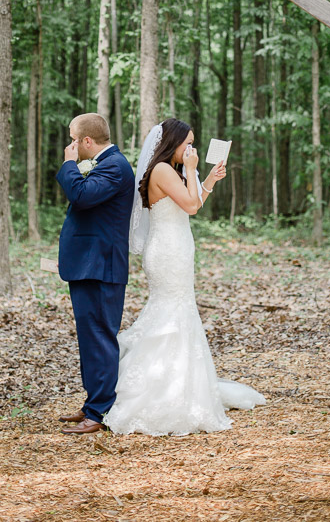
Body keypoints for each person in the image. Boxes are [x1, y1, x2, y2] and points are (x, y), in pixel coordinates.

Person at [104, 118, 265, 436]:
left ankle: (178, 383)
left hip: (176, 247)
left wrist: (208, 179)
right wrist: (192, 170)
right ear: (172, 143)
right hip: (167, 252)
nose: (191, 148)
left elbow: (192, 204)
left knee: (178, 311)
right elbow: (191, 207)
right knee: (172, 311)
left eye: (193, 143)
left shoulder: (171, 171)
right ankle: (159, 390)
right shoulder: (163, 170)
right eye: (187, 143)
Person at [56, 113, 135, 434]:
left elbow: (82, 196)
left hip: (102, 266)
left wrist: (68, 165)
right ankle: (92, 403)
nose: (71, 145)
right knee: (90, 338)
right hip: (88, 265)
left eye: (74, 139)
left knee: (100, 338)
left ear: (87, 141)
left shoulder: (115, 166)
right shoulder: (107, 164)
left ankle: (99, 412)